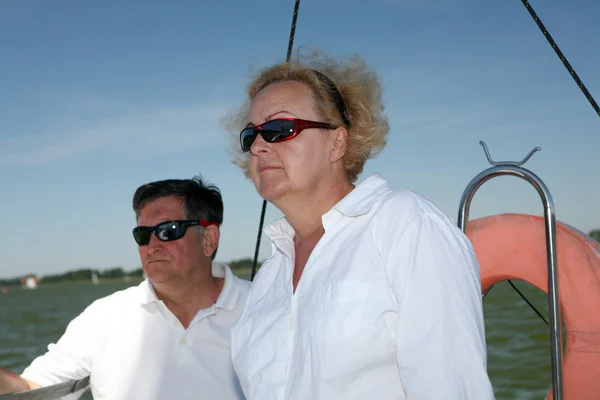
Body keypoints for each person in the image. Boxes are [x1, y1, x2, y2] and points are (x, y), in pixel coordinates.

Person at [224, 49, 496, 399]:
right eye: (251, 136)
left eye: (279, 129)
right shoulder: (269, 276)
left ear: (337, 142)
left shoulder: (404, 226)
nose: (259, 145)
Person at [0, 176, 250, 400]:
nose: (151, 245)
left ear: (209, 239)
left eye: (167, 231)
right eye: (142, 234)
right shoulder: (105, 316)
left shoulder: (264, 306)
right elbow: (35, 389)